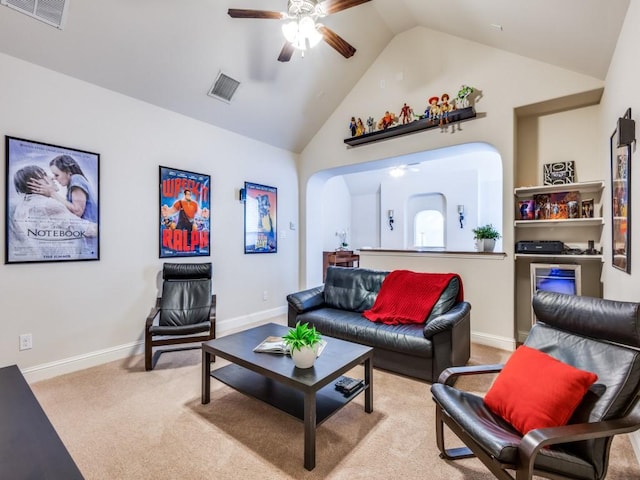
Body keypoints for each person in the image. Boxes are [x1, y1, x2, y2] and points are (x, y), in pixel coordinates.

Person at [9, 165, 97, 260]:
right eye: (44, 175)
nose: (51, 177)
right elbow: (88, 229)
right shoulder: (47, 205)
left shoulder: (21, 207)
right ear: (34, 182)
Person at [27, 154, 98, 223]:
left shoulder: (76, 179)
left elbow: (77, 212)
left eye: (56, 175)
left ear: (68, 172)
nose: (54, 178)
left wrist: (52, 192)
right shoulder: (73, 183)